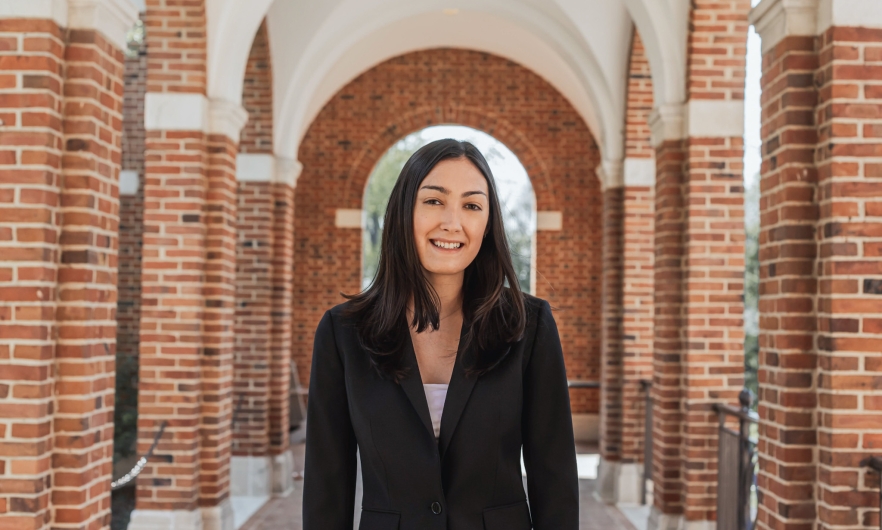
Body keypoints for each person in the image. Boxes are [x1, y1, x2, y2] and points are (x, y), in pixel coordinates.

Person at [302, 139, 578, 529]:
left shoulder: (529, 326)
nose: (453, 222)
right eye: (434, 201)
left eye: (472, 205)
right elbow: (326, 487)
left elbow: (556, 480)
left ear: (487, 224)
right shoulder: (342, 332)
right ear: (404, 212)